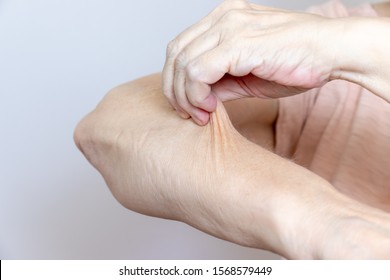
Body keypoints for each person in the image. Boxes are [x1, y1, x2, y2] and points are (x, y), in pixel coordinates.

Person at [74, 0, 390, 259]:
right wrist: (335, 226)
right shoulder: (324, 45)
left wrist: (371, 50)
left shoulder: (343, 43)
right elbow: (112, 129)